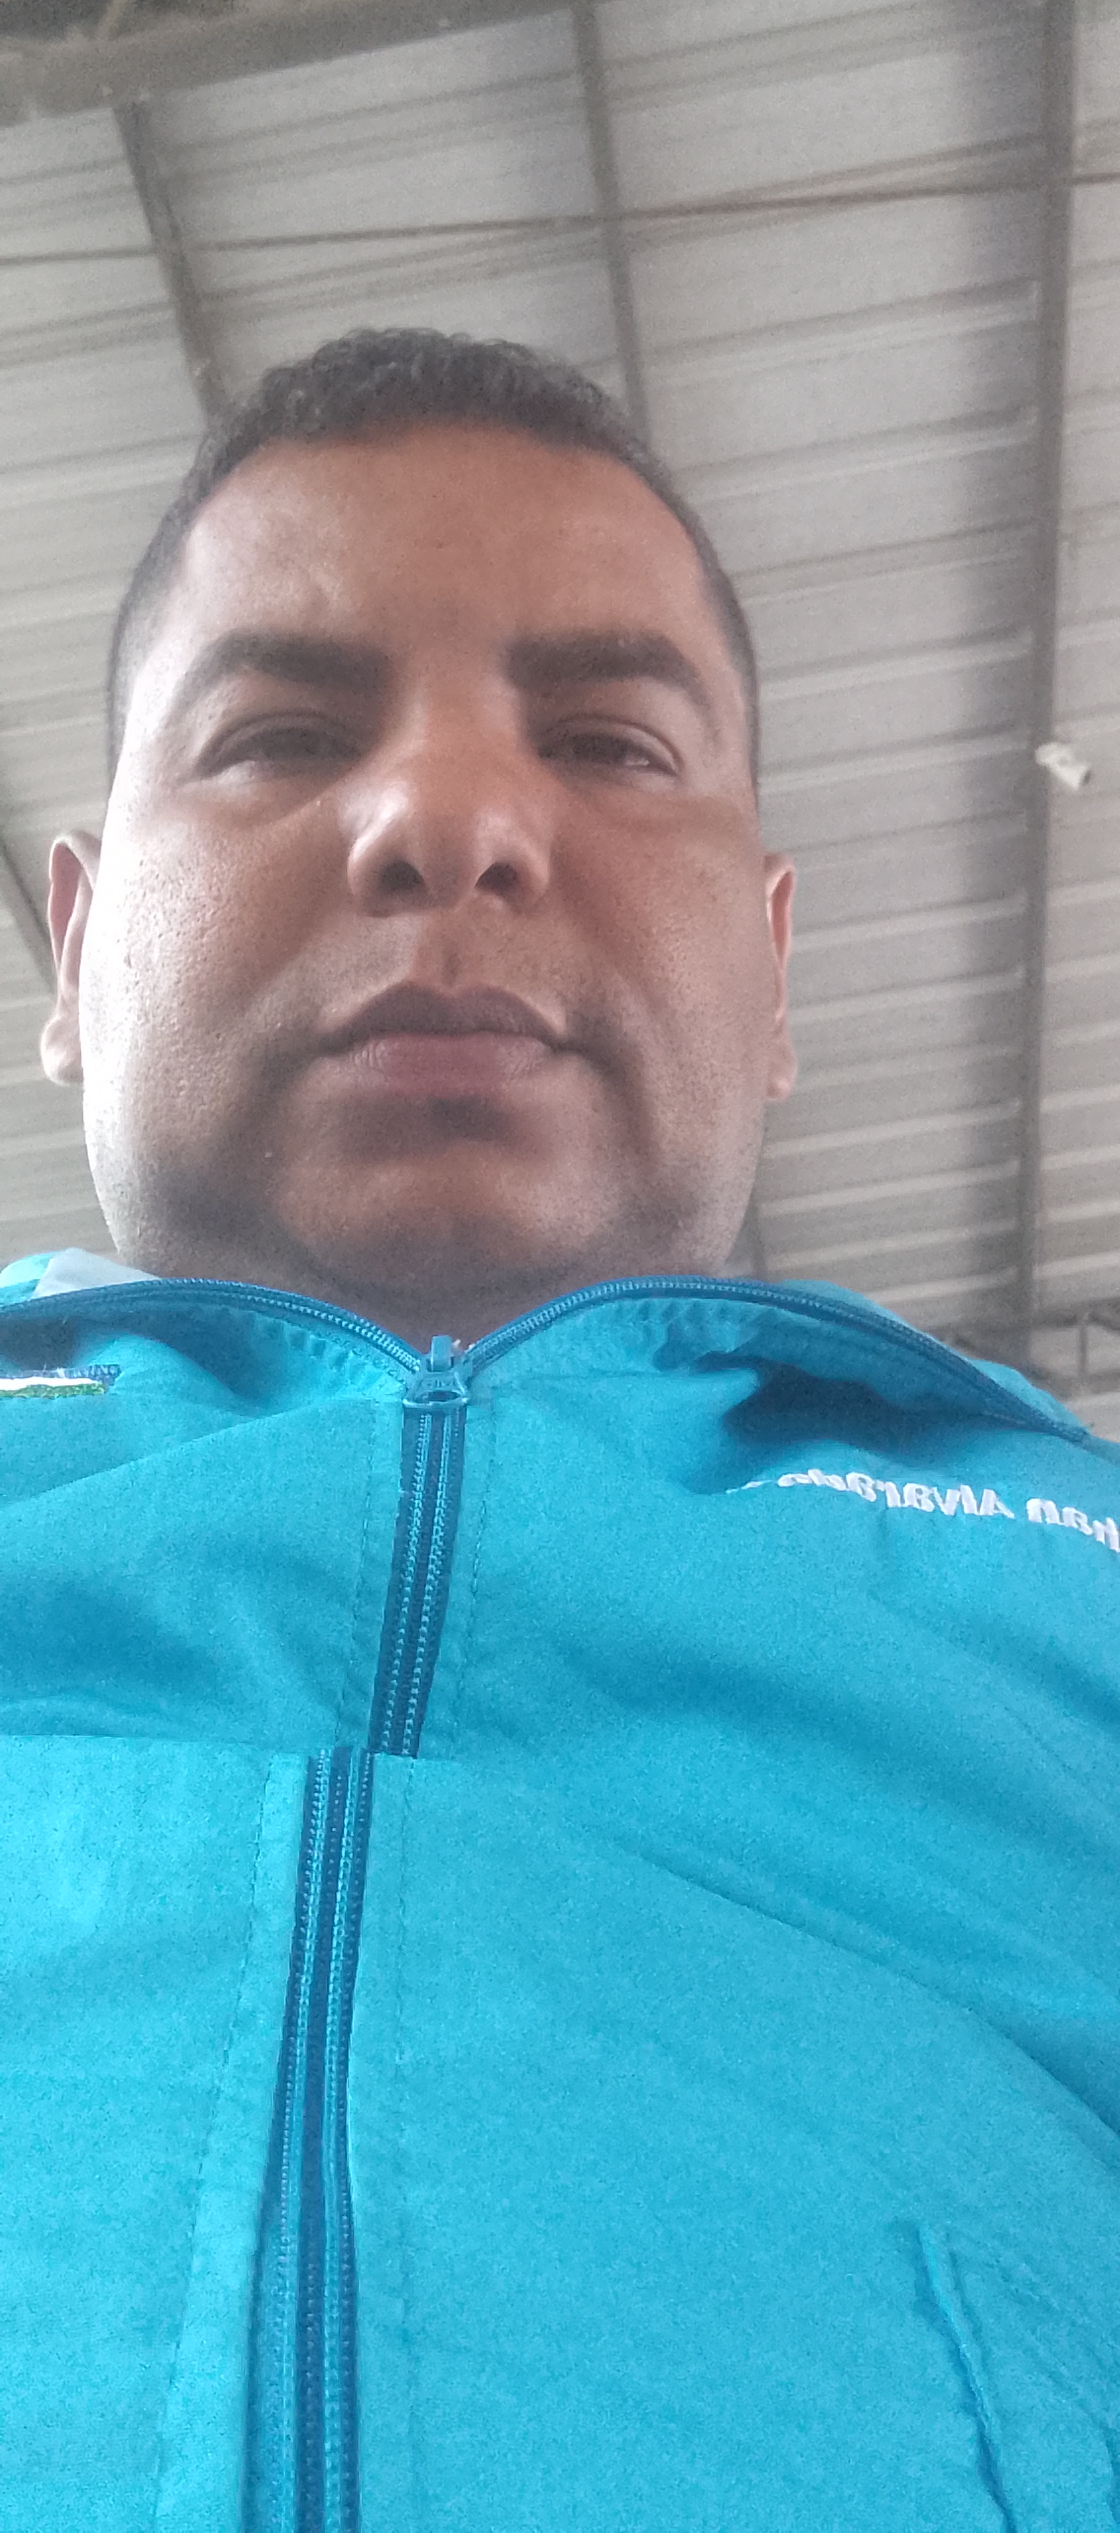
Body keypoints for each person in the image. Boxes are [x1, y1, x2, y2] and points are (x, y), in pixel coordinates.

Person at [0, 326, 1118, 2533]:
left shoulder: (1075, 1555)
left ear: (773, 966)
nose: (450, 821)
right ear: (78, 940)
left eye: (607, 742)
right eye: (282, 735)